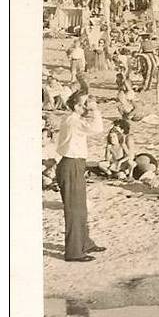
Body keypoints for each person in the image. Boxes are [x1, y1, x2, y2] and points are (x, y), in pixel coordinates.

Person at [54, 93, 106, 262]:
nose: (86, 108)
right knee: (74, 210)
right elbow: (97, 128)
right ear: (76, 107)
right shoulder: (74, 121)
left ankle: (84, 242)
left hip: (74, 164)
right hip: (71, 164)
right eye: (83, 105)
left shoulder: (71, 119)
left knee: (80, 208)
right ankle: (74, 252)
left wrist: (88, 105)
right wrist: (95, 109)